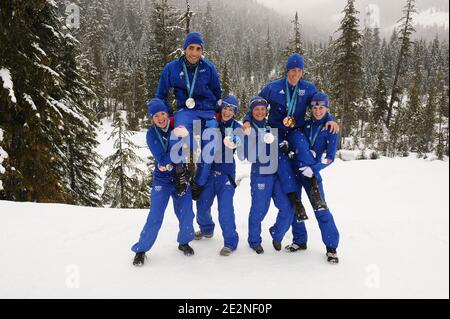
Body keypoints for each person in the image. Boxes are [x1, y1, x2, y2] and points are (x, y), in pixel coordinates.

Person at [242, 53, 338, 213]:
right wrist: (246, 120)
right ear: (287, 70)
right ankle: (295, 199)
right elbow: (255, 104)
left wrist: (330, 118)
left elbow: (319, 105)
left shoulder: (308, 88)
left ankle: (313, 185)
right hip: (276, 132)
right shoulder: (273, 87)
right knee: (283, 162)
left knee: (303, 149)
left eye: (299, 70)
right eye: (293, 70)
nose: (296, 74)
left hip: (296, 129)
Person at [156, 32, 222, 201]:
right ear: (184, 49)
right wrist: (168, 115)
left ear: (202, 51)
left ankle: (198, 182)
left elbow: (217, 91)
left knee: (211, 143)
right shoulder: (172, 68)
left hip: (207, 111)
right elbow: (161, 95)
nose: (194, 53)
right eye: (191, 48)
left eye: (198, 49)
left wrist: (217, 114)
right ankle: (180, 172)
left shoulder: (208, 67)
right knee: (177, 133)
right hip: (185, 110)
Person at [131, 98, 195, 266]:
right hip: (162, 180)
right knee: (155, 215)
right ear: (152, 118)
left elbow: (191, 148)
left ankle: (184, 242)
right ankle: (141, 249)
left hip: (180, 176)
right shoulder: (151, 134)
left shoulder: (178, 128)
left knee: (187, 213)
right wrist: (175, 157)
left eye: (163, 114)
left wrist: (185, 142)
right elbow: (161, 157)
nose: (160, 118)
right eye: (156, 115)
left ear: (168, 114)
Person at [279, 92, 340, 264]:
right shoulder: (305, 125)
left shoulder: (331, 128)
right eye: (314, 107)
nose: (318, 111)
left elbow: (330, 157)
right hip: (296, 170)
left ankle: (331, 247)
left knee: (321, 209)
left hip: (312, 175)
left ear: (326, 108)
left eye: (321, 107)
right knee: (295, 206)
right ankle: (299, 240)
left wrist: (313, 168)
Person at [245, 96, 296, 254]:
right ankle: (254, 240)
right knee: (259, 209)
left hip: (278, 173)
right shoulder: (248, 129)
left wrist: (284, 146)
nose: (259, 112)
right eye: (256, 109)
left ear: (266, 111)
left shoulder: (271, 126)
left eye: (262, 109)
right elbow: (249, 156)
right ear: (252, 112)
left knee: (287, 207)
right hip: (261, 174)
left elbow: (282, 141)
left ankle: (277, 233)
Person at [194, 96, 242, 256]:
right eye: (225, 108)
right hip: (209, 173)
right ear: (221, 109)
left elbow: (240, 139)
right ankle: (207, 229)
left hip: (226, 175)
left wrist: (235, 141)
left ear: (235, 113)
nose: (228, 112)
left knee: (225, 210)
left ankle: (230, 242)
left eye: (231, 110)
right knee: (201, 207)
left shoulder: (236, 127)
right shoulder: (211, 122)